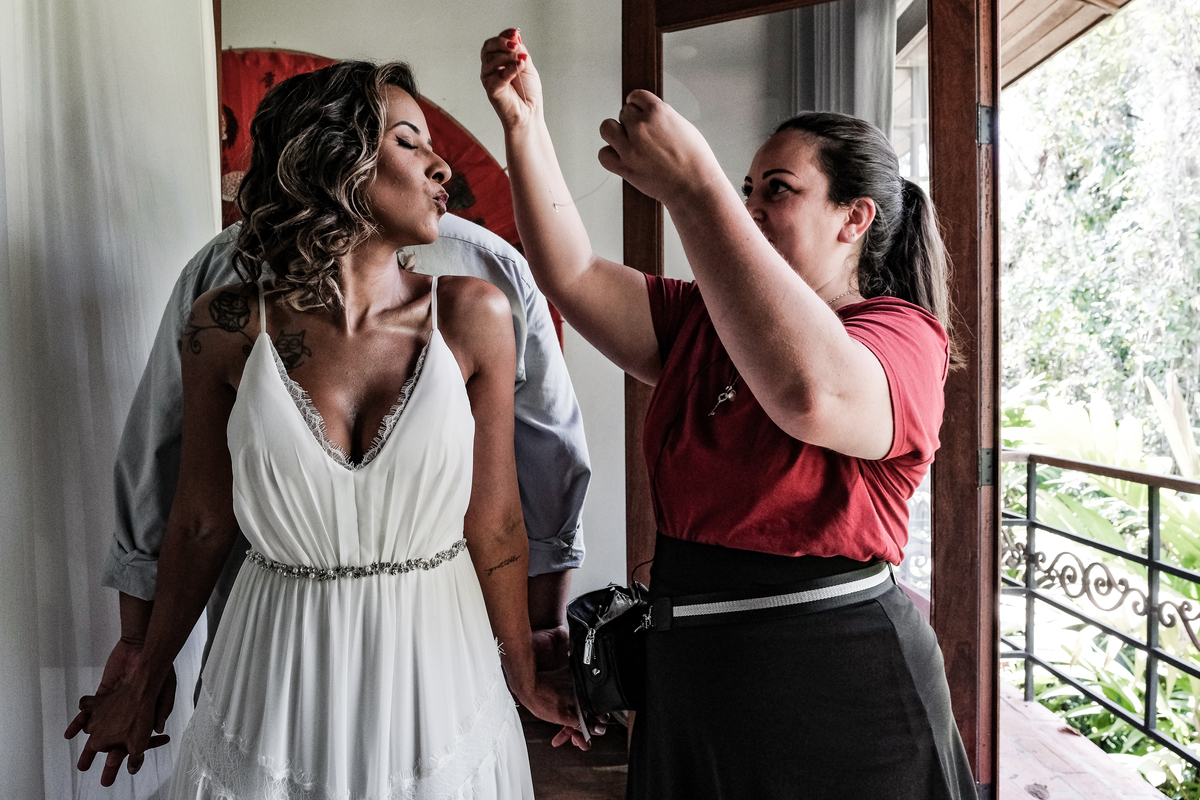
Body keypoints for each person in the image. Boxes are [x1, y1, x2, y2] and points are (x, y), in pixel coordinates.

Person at [65, 67, 593, 791]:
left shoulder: (476, 314)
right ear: (333, 160)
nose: (441, 166)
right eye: (408, 142)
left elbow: (496, 522)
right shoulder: (222, 327)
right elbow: (199, 521)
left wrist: (524, 675)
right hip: (272, 668)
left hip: (438, 663)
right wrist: (145, 668)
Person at [482, 29, 977, 800]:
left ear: (854, 218)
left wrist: (694, 189)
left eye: (777, 189)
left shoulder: (902, 335)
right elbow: (572, 274)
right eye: (745, 188)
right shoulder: (704, 323)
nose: (750, 206)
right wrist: (524, 123)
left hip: (837, 684)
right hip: (695, 673)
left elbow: (810, 395)